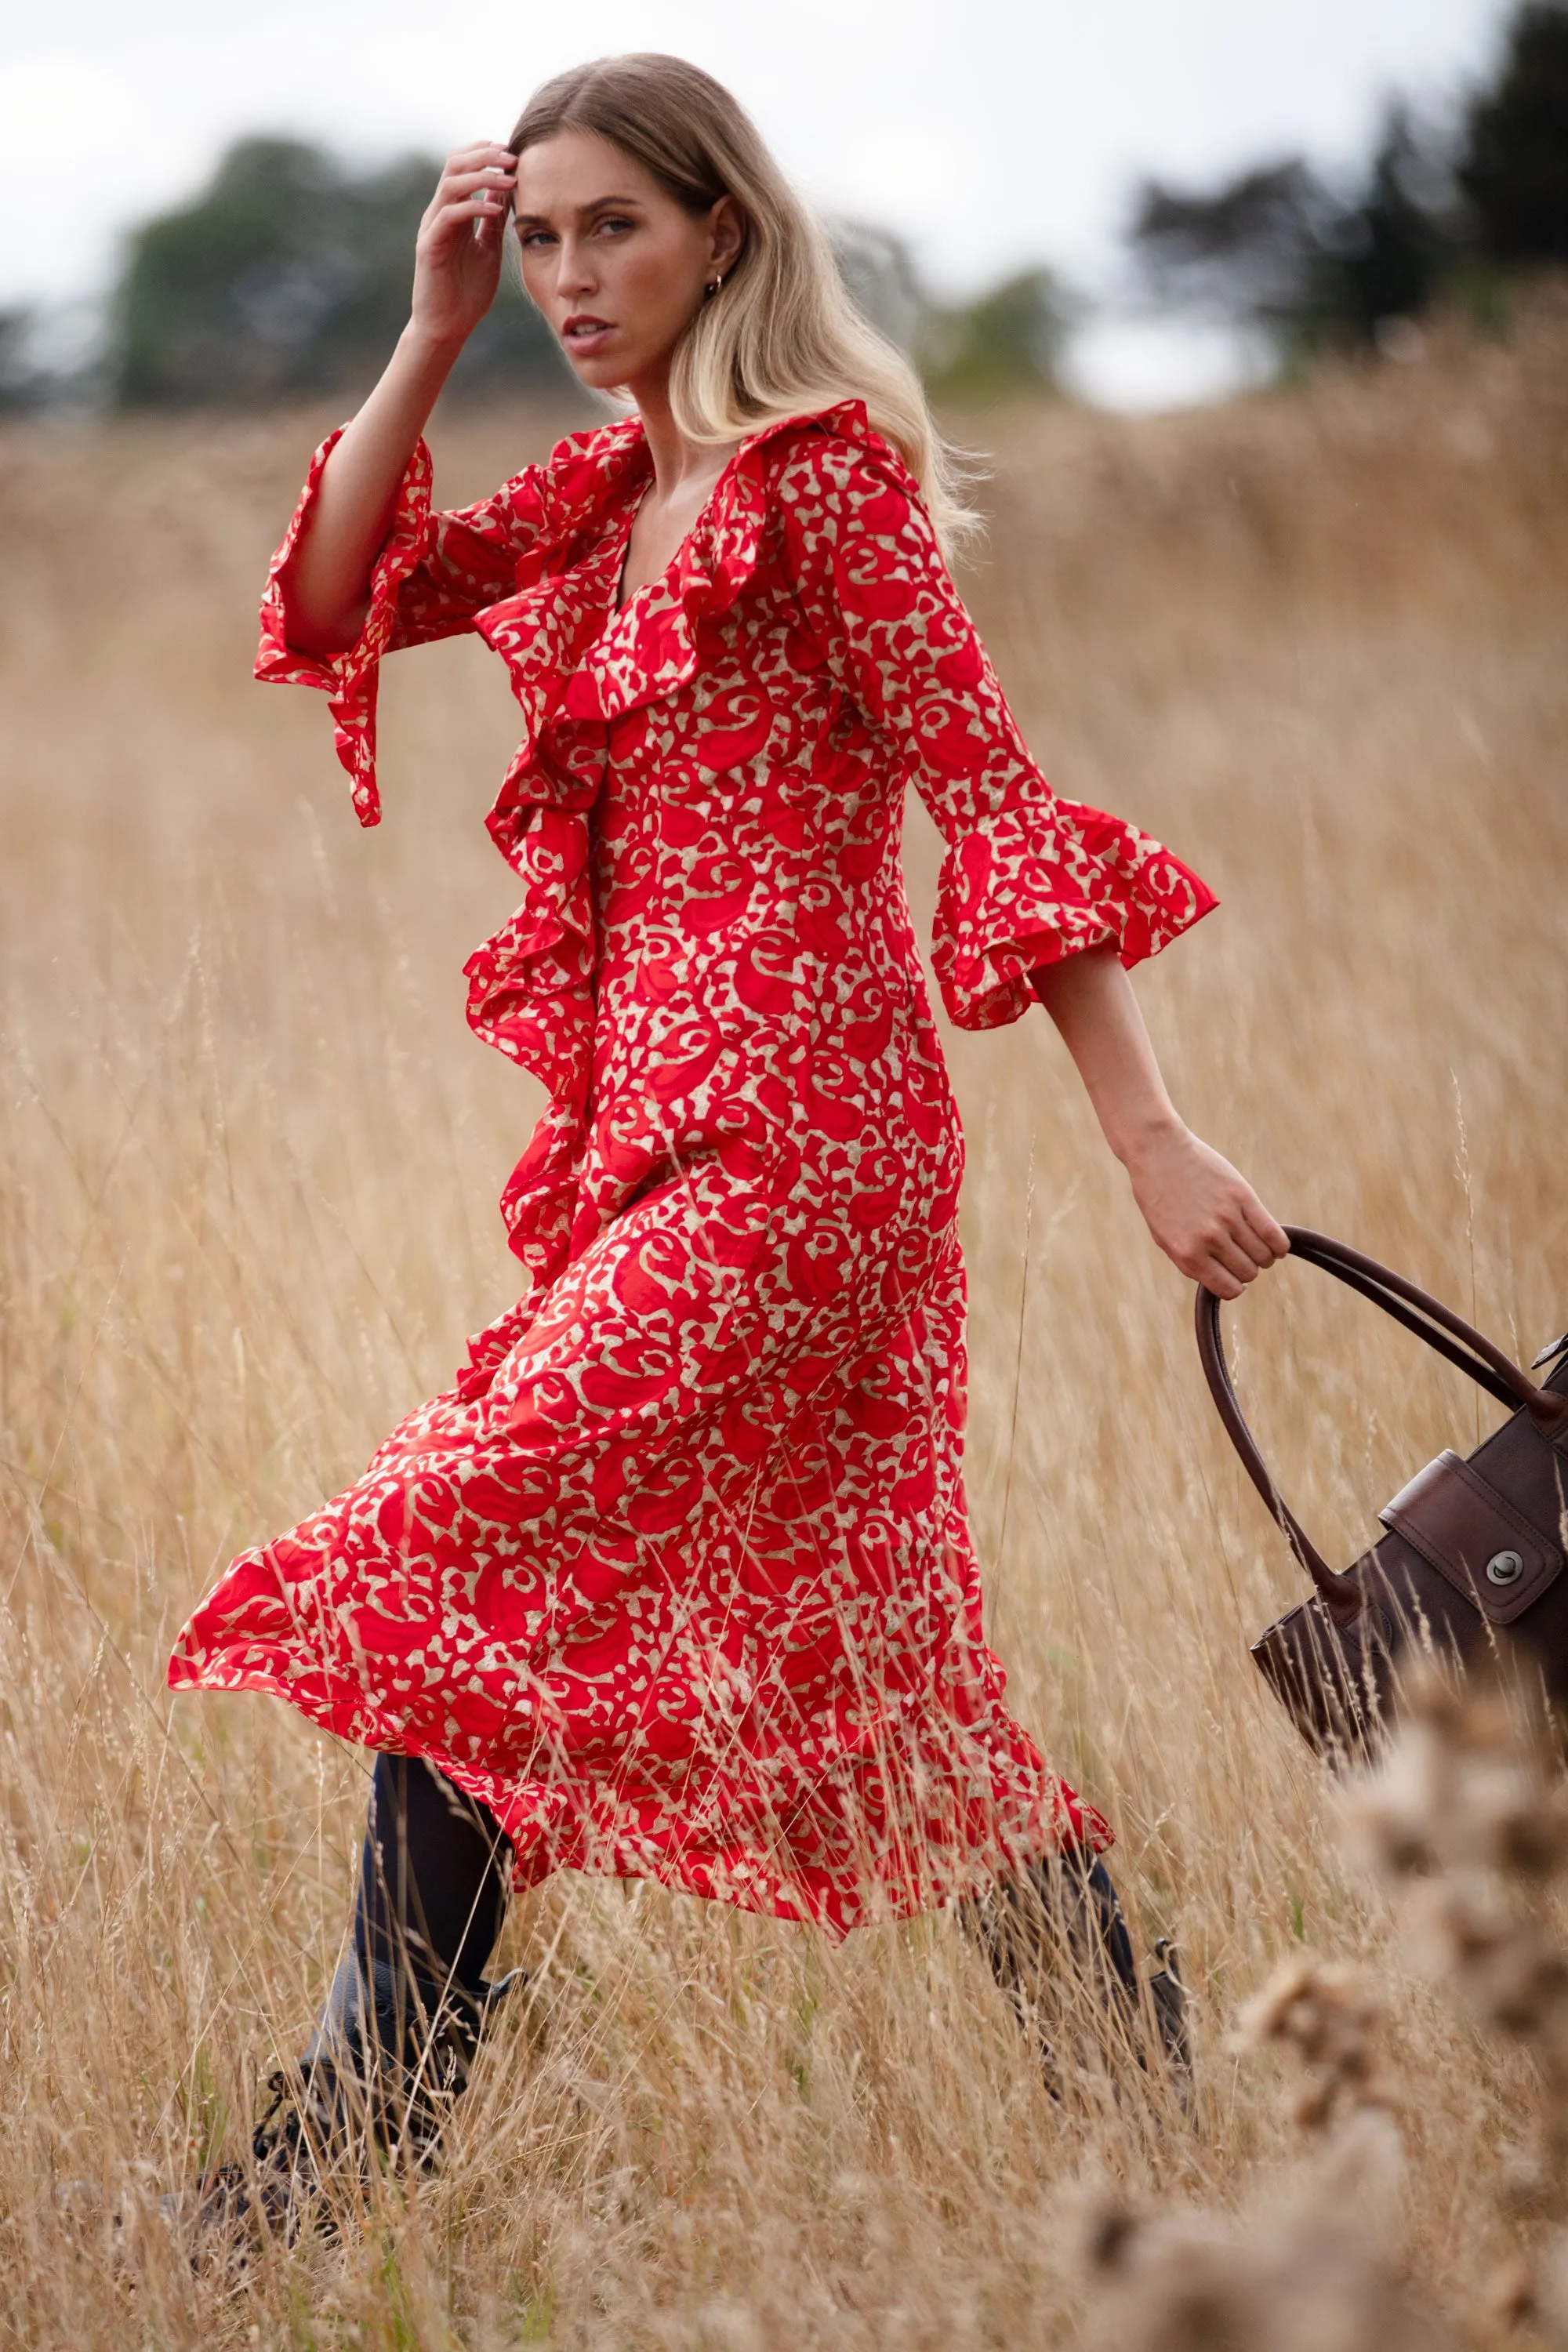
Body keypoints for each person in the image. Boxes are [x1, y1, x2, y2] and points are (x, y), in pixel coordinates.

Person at [168, 53, 1287, 2222]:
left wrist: (1148, 1139)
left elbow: (995, 799)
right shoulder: (602, 495)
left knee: (444, 1547)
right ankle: (1168, 2135)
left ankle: (332, 2156)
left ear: (725, 239)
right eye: (549, 236)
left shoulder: (822, 486)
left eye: (617, 232)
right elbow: (327, 612)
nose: (574, 278)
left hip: (807, 1155)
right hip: (653, 1156)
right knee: (892, 1687)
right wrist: (429, 326)